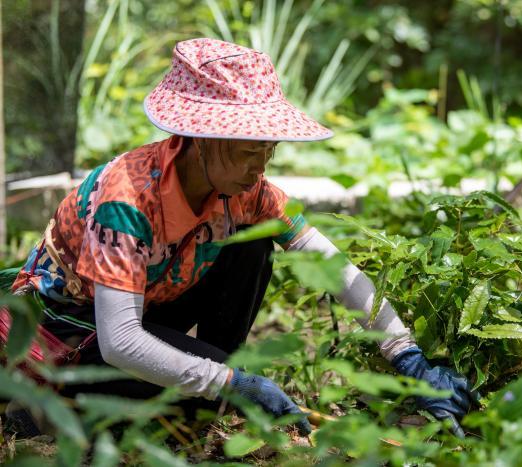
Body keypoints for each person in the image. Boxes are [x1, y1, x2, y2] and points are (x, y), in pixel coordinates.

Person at [9, 38, 478, 437]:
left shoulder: (246, 191)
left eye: (268, 151)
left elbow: (333, 266)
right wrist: (229, 382)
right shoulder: (127, 202)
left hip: (143, 309)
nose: (261, 166)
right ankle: (51, 405)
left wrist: (408, 358)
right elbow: (121, 341)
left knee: (255, 241)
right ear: (203, 141)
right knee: (206, 390)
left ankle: (199, 391)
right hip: (77, 337)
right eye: (250, 151)